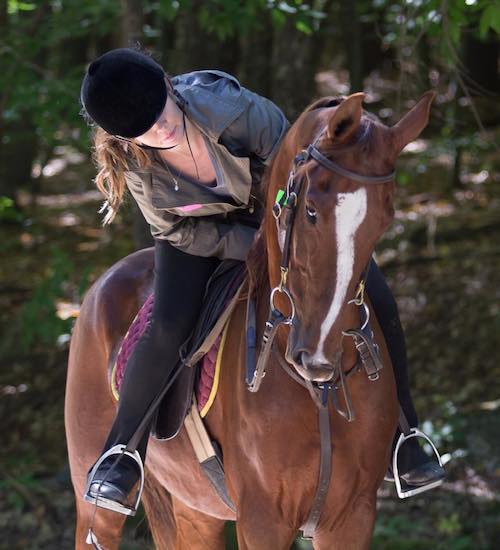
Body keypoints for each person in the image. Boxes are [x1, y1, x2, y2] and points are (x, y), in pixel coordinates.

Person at [79, 47, 444, 515]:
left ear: (169, 88)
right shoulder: (135, 161)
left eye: (161, 113)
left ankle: (407, 434)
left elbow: (297, 175)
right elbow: (177, 230)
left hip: (278, 215)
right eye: (145, 130)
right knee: (168, 324)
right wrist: (246, 249)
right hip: (195, 239)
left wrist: (277, 240)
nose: (161, 128)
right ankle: (122, 452)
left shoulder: (231, 111)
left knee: (373, 286)